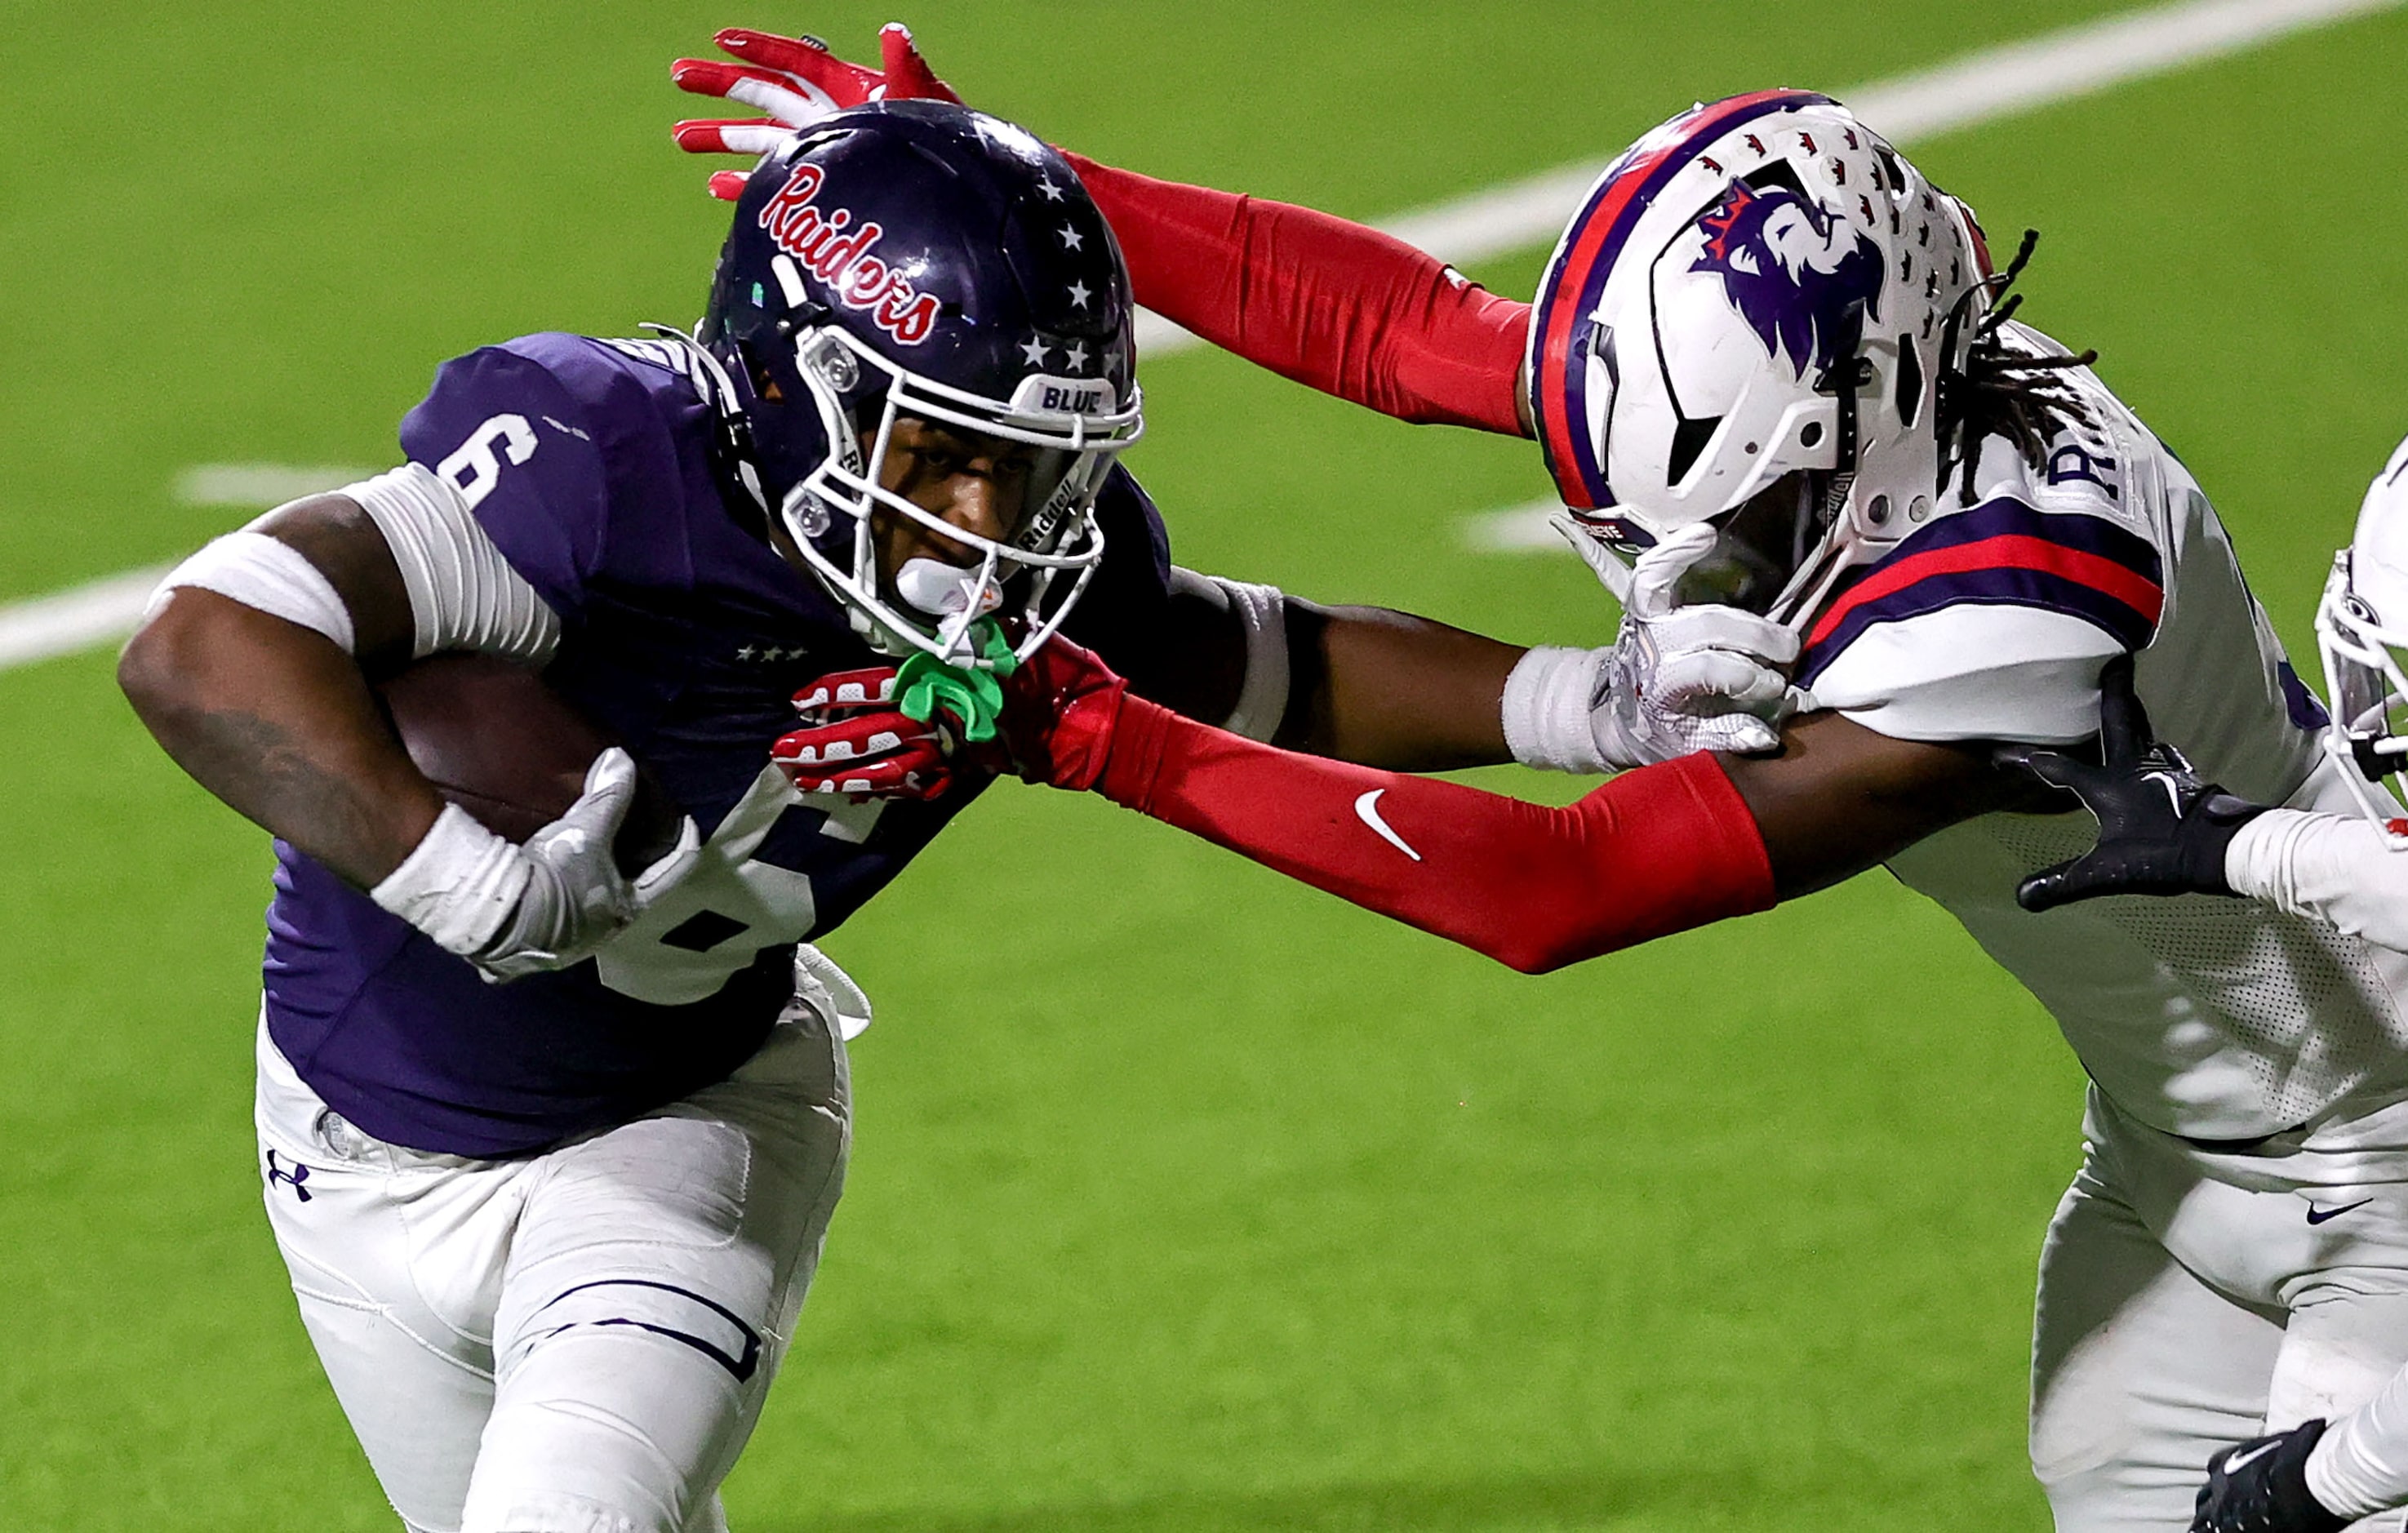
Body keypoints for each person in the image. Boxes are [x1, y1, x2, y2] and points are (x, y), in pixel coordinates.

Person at [679, 32, 2408, 1532]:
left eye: (1742, 518)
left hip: (2371, 1168)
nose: (1693, 557)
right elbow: (1399, 329)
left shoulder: (2021, 609)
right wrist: (1007, 184)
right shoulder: (1830, 362)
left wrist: (1088, 731)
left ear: (1863, 420)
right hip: (2176, 1152)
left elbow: (1552, 889)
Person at [122, 99, 1772, 1533]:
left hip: (678, 1132)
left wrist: (1583, 703)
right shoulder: (600, 468)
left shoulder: (1015, 577)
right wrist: (448, 865)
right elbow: (203, 646)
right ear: (801, 380)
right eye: (947, 456)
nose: (994, 531)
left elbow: (1256, 664)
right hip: (343, 1151)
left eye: (1032, 469)